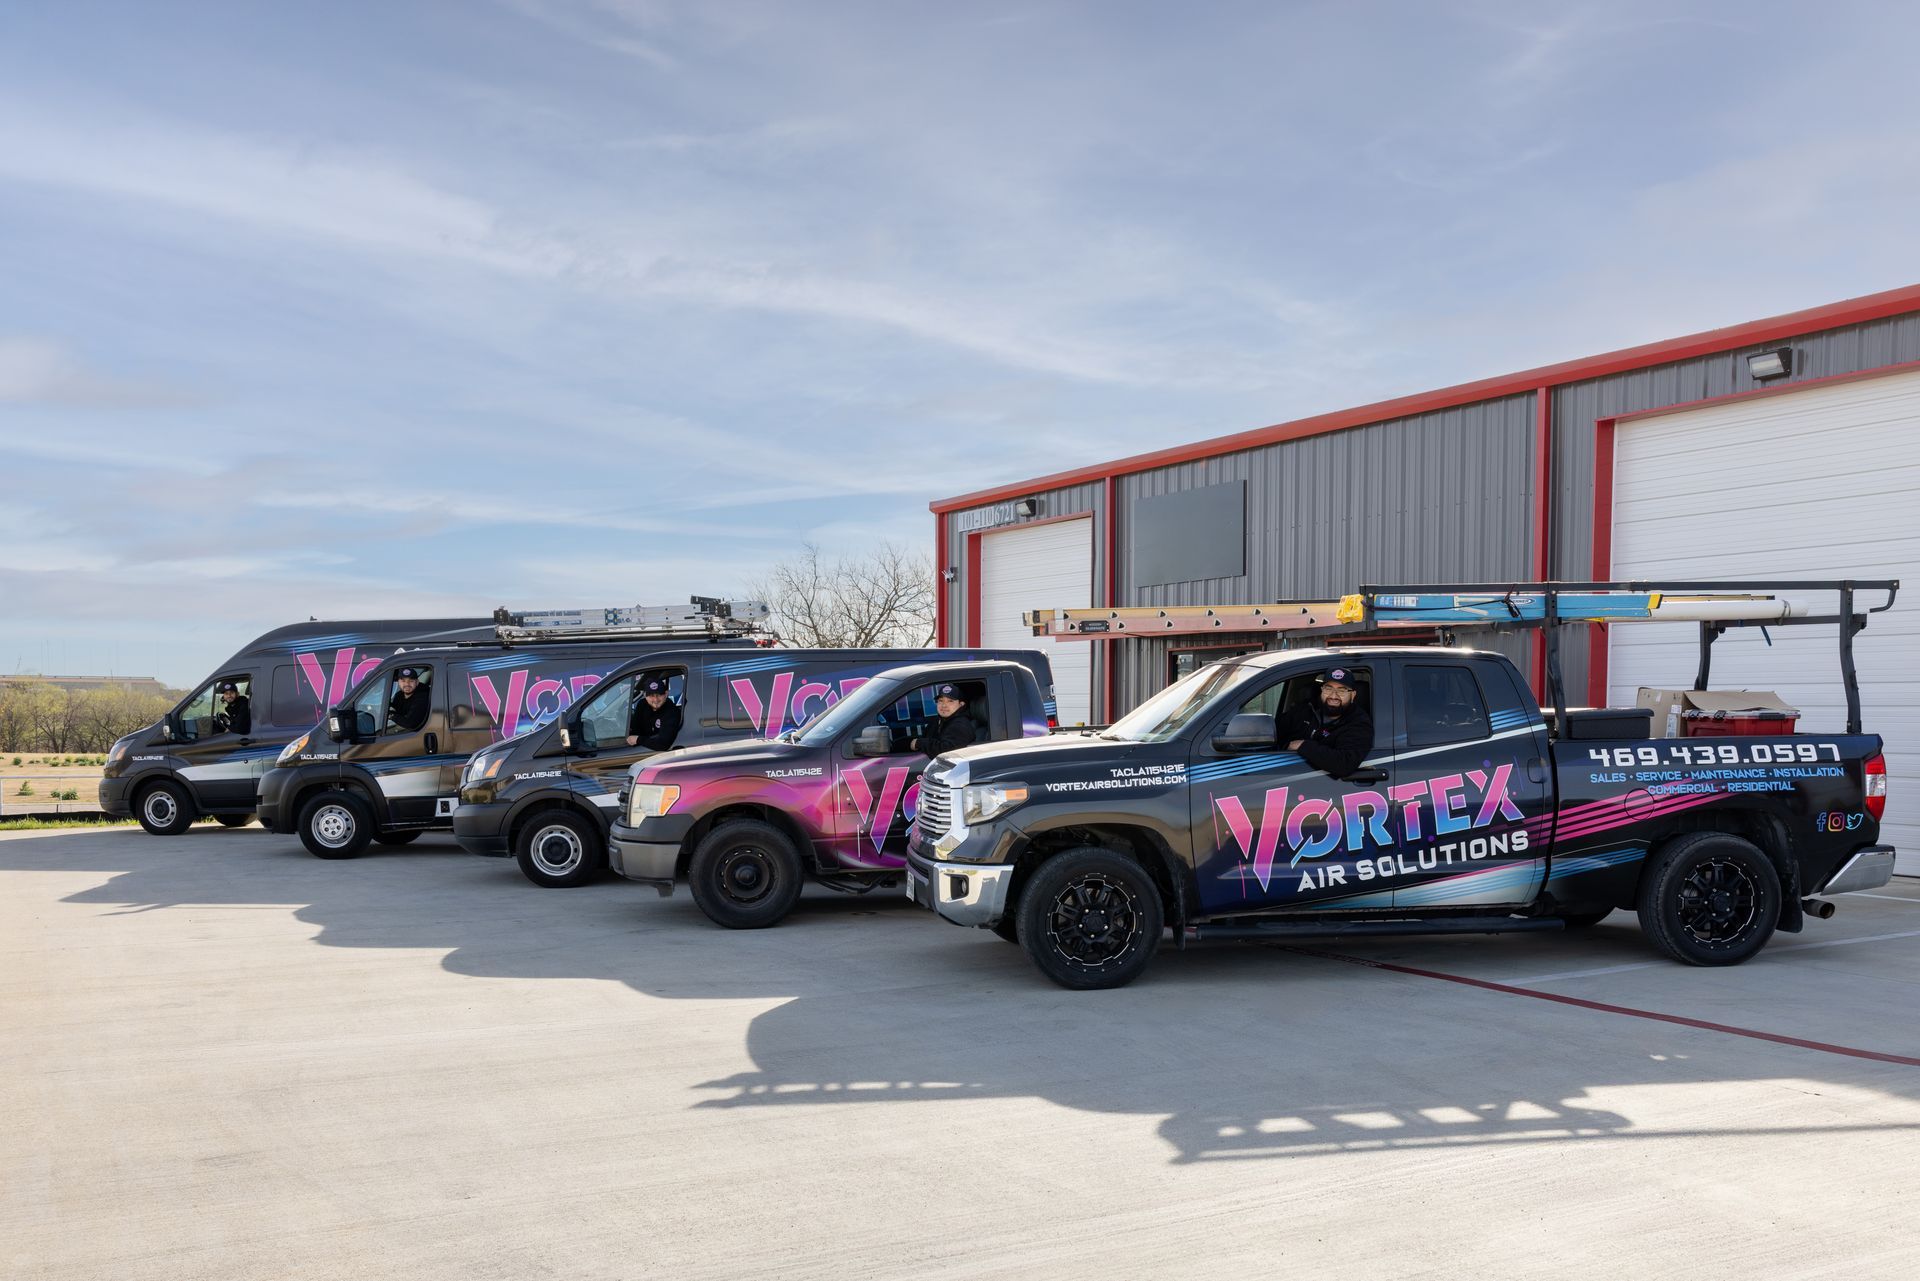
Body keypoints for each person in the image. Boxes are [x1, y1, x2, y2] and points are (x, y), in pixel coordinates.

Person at [1274, 667, 1373, 779]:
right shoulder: (1306, 709)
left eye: (1341, 690)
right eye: (1328, 688)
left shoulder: (1359, 723)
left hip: (1326, 785)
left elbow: (1344, 763)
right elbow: (1274, 735)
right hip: (1284, 774)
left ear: (1353, 695)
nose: (1333, 696)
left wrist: (1303, 745)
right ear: (1322, 690)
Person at [912, 683, 977, 759]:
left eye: (950, 701)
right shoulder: (938, 720)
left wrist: (920, 743)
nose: (944, 705)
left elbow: (947, 753)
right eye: (941, 701)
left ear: (961, 704)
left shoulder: (961, 725)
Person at [627, 676, 682, 751]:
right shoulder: (642, 705)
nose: (656, 700)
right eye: (651, 696)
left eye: (659, 695)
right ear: (645, 696)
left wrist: (638, 739)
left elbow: (663, 744)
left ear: (666, 694)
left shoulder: (672, 712)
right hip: (639, 750)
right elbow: (634, 729)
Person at [388, 667, 431, 732]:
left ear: (417, 682)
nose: (407, 684)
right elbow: (394, 710)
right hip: (404, 730)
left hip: (417, 733)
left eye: (411, 681)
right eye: (403, 681)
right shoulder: (399, 695)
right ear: (398, 682)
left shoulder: (423, 696)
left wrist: (391, 716)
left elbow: (410, 723)